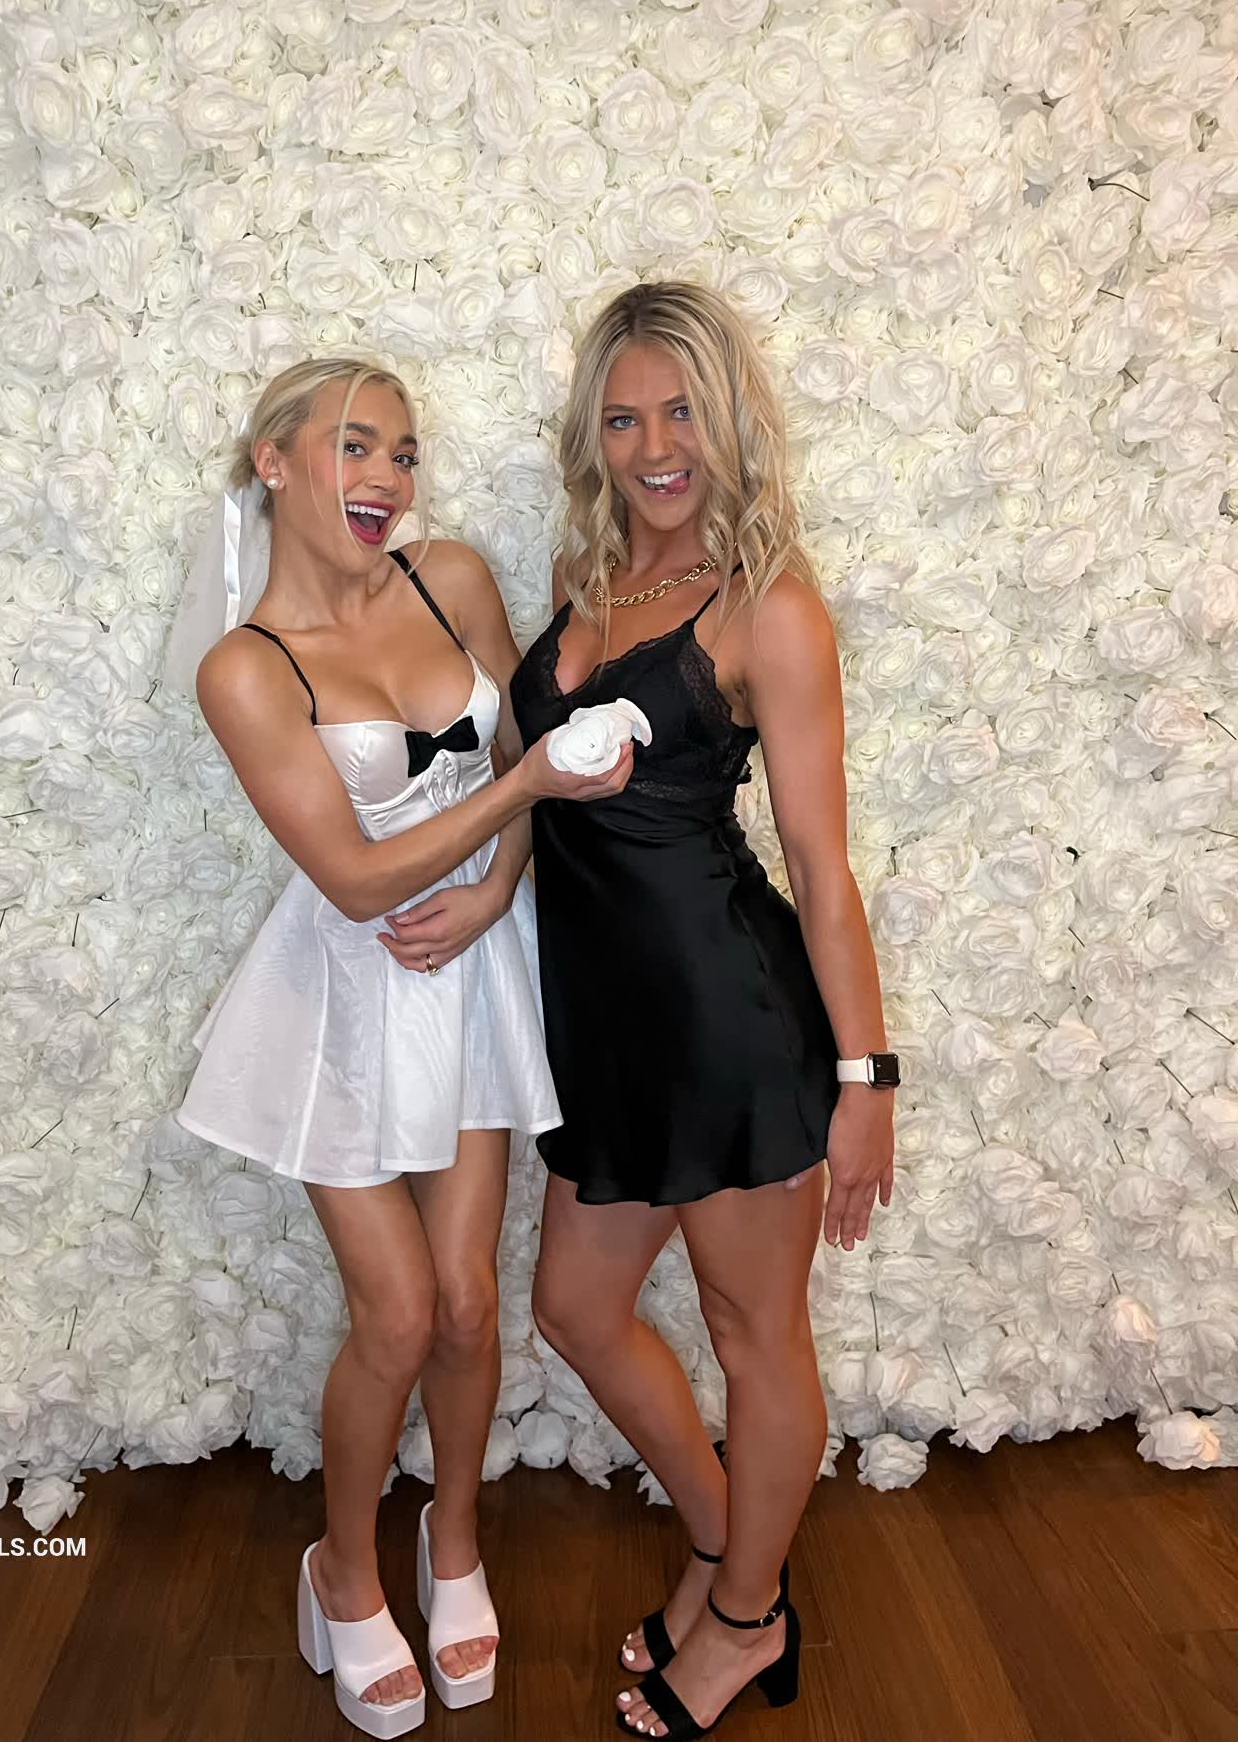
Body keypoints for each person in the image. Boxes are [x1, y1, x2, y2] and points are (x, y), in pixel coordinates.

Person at [167, 357, 632, 1739]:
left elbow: (524, 757)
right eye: (356, 446)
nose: (386, 478)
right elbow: (358, 878)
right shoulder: (244, 669)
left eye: (405, 453)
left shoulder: (454, 580)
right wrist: (524, 787)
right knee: (399, 1315)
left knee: (470, 1307)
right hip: (342, 1007)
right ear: (274, 459)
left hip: (471, 980)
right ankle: (345, 1569)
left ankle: (455, 1541)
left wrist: (497, 889)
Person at [511, 284, 900, 1740]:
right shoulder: (585, 573)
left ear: (728, 419)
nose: (655, 446)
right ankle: (736, 1552)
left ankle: (742, 1622)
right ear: (593, 438)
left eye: (680, 410)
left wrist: (865, 1077)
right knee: (574, 1307)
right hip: (607, 1030)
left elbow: (818, 863)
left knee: (755, 1334)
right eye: (622, 418)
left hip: (730, 1018)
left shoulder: (769, 607)